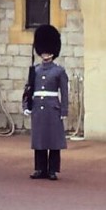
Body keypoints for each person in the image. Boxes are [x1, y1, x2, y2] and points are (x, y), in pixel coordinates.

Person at [22, 24, 69, 181]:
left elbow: (64, 92)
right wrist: (26, 105)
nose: (46, 54)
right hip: (38, 108)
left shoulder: (59, 71)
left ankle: (53, 170)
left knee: (53, 140)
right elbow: (28, 88)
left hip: (52, 107)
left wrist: (64, 110)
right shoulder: (35, 70)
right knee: (40, 139)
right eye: (43, 50)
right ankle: (39, 168)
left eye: (49, 51)